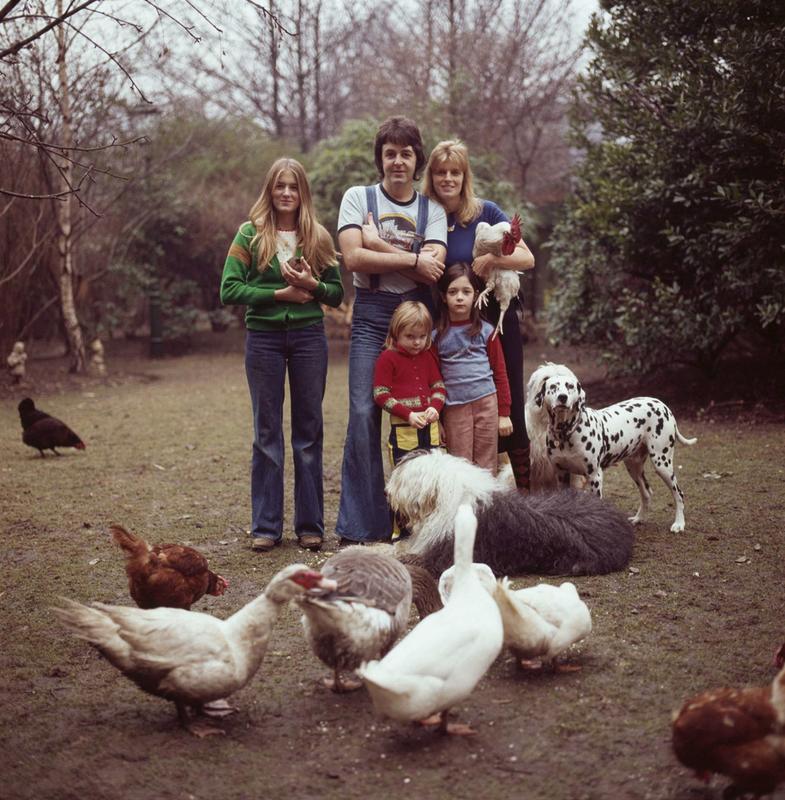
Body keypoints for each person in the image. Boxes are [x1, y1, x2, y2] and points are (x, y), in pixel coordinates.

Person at [220, 157, 344, 553]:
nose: (286, 193)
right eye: (280, 186)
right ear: (270, 190)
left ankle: (310, 526)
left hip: (309, 338)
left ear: (302, 192)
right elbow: (229, 289)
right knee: (267, 433)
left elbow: (337, 293)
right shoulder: (250, 234)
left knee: (309, 432)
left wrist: (313, 285)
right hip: (264, 339)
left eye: (293, 186)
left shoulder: (317, 236)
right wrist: (280, 294)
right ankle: (266, 527)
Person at [336, 116, 448, 544]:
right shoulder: (357, 197)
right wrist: (412, 259)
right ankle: (364, 526)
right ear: (379, 159)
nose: (397, 161)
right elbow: (353, 258)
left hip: (417, 316)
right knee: (364, 412)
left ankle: (424, 519)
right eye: (389, 154)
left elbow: (434, 268)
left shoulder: (431, 210)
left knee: (427, 411)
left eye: (405, 153)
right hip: (371, 313)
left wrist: (378, 244)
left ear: (417, 159)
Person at [424, 140, 535, 489]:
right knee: (456, 400)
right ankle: (461, 489)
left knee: (509, 399)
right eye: (441, 172)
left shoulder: (485, 211)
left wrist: (493, 258)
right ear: (431, 176)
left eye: (455, 172)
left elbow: (527, 257)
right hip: (452, 320)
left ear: (464, 176)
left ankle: (526, 493)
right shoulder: (427, 216)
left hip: (495, 317)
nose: (448, 179)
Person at [433, 263, 511, 474]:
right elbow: (433, 381)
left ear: (476, 295)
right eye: (453, 292)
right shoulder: (435, 337)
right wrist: (437, 420)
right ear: (443, 297)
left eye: (466, 292)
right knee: (460, 466)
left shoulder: (487, 331)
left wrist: (504, 413)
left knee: (487, 464)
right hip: (454, 408)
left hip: (486, 404)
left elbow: (500, 373)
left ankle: (487, 498)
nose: (459, 297)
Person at [373, 300, 446, 466]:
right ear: (396, 332)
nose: (417, 342)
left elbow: (439, 387)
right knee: (404, 473)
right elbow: (380, 394)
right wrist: (408, 414)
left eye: (422, 336)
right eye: (410, 336)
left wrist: (435, 407)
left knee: (434, 472)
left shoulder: (427, 356)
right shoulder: (387, 358)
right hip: (404, 430)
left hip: (431, 429)